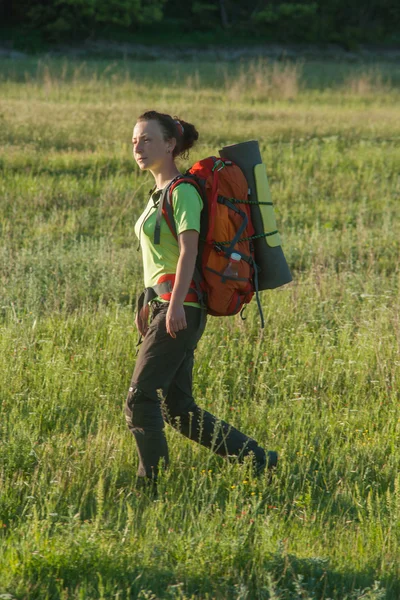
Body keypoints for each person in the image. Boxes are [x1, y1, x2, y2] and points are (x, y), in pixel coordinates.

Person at [125, 110, 277, 489]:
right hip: (163, 306)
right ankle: (260, 461)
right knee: (177, 409)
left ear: (170, 145)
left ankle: (150, 486)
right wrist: (146, 303)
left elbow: (187, 253)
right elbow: (157, 258)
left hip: (181, 309)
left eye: (146, 139)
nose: (138, 147)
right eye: (134, 141)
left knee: (141, 397)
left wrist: (174, 305)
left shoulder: (183, 191)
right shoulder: (156, 195)